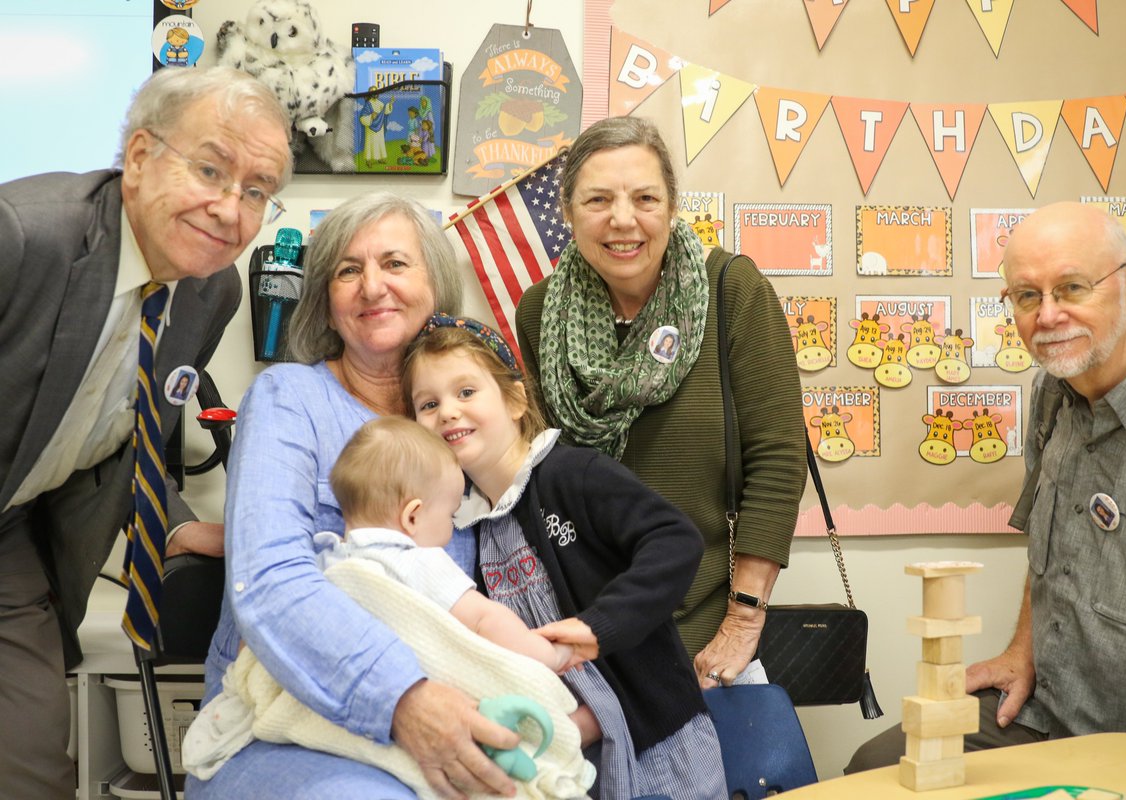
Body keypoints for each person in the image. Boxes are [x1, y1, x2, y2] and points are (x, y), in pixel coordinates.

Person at [0, 65, 291, 799]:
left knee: (30, 766)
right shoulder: (22, 235)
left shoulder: (210, 289)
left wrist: (189, 526)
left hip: (8, 537)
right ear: (137, 159)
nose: (230, 208)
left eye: (256, 191)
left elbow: (131, 428)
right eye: (210, 170)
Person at [845, 202, 1126, 791]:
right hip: (1044, 714)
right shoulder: (1052, 392)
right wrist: (1020, 651)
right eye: (1027, 296)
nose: (1048, 315)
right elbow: (1051, 543)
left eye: (1071, 288)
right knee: (875, 771)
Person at [189, 192, 524, 800]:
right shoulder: (288, 399)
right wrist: (403, 699)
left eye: (395, 263)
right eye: (348, 270)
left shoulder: (464, 423)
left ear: (436, 286)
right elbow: (269, 580)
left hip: (452, 713)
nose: (373, 287)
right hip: (283, 731)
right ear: (325, 300)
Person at [514, 116, 807, 685]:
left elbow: (778, 462)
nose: (623, 219)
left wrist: (743, 624)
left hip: (708, 637)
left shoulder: (732, 291)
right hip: (586, 633)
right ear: (569, 214)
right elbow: (543, 474)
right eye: (598, 199)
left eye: (644, 198)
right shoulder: (540, 312)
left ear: (672, 208)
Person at [404, 315, 727, 800]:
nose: (448, 412)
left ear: (515, 400)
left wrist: (601, 624)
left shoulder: (573, 474)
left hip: (657, 741)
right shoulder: (462, 528)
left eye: (466, 392)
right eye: (428, 404)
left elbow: (675, 539)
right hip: (567, 755)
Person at [184, 416, 588, 789]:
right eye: (449, 515)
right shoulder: (418, 561)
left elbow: (266, 642)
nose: (450, 529)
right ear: (412, 517)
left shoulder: (324, 559)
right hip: (416, 703)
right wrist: (546, 655)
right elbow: (483, 620)